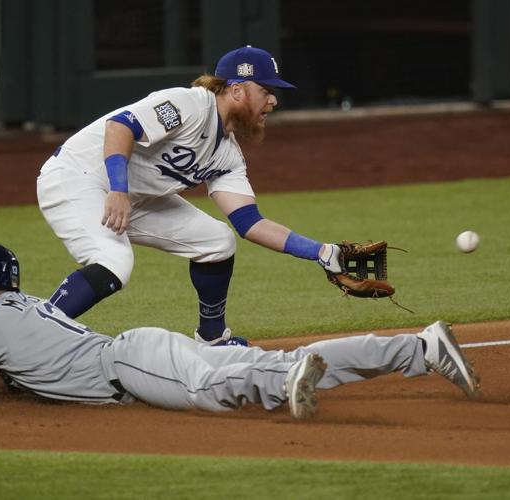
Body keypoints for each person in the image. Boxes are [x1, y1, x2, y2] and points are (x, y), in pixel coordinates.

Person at [0, 243, 480, 419]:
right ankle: (418, 348)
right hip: (139, 352)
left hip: (132, 368)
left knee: (223, 391)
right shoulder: (25, 311)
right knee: (268, 368)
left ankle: (282, 376)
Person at [36, 45, 347, 346]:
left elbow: (249, 222)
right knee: (115, 261)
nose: (273, 101)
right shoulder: (190, 104)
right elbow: (120, 127)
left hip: (130, 195)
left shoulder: (228, 156)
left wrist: (321, 252)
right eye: (266, 91)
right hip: (77, 177)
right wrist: (118, 189)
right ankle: (31, 339)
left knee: (217, 241)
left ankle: (212, 338)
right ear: (237, 90)